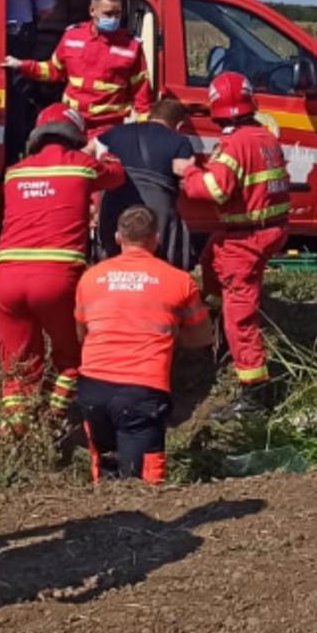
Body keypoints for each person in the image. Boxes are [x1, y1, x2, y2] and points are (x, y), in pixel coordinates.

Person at [0, 104, 126, 443]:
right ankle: (54, 418)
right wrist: (102, 148)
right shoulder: (81, 165)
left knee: (18, 362)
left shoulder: (15, 171)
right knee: (70, 353)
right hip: (56, 274)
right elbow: (117, 174)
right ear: (74, 137)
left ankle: (16, 428)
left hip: (6, 276)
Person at [175, 71, 290, 421]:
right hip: (265, 230)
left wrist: (188, 172)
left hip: (247, 239)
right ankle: (212, 319)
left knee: (241, 317)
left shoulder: (234, 143)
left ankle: (255, 392)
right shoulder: (263, 136)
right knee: (211, 255)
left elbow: (214, 191)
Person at [74, 205, 213, 484]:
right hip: (142, 391)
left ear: (117, 237)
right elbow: (202, 337)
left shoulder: (90, 278)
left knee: (105, 471)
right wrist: (171, 335)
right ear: (156, 238)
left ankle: (104, 523)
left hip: (92, 387)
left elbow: (82, 334)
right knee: (143, 484)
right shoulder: (179, 281)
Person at [1, 0, 151, 137]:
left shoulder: (131, 46)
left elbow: (142, 92)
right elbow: (53, 70)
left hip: (109, 128)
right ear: (92, 11)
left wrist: (145, 130)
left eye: (117, 14)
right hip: (73, 124)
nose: (113, 19)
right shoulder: (72, 37)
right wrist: (22, 65)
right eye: (108, 14)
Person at [94, 96, 197, 268]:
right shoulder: (180, 142)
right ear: (179, 126)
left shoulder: (115, 132)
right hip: (157, 215)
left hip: (113, 206)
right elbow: (186, 177)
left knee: (111, 262)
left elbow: (90, 151)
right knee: (158, 265)